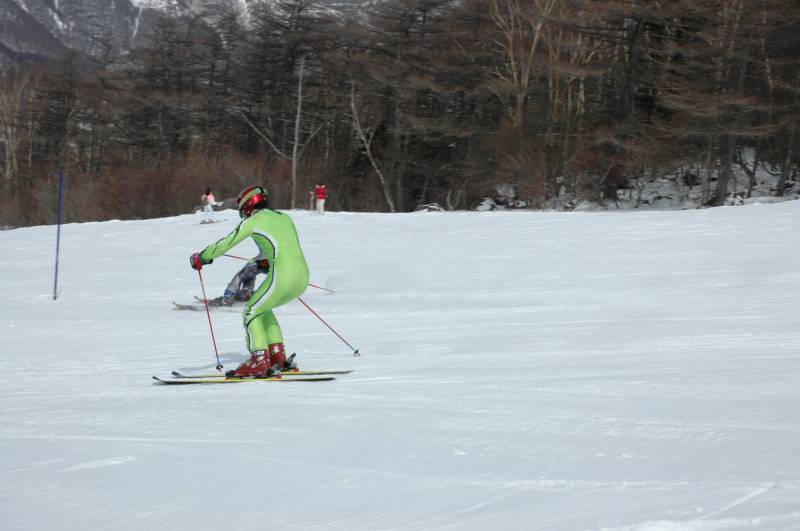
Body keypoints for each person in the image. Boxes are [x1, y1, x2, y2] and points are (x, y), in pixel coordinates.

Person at [190, 185, 310, 378]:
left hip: (282, 276)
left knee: (251, 311)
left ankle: (258, 360)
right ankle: (277, 357)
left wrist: (202, 257)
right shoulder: (284, 217)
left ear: (247, 206)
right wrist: (266, 261)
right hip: (302, 276)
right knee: (263, 309)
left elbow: (225, 243)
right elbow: (285, 245)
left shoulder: (253, 221)